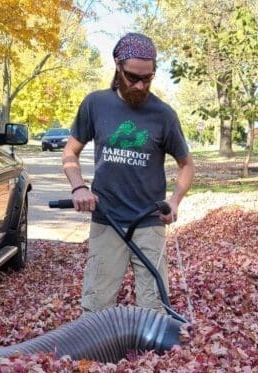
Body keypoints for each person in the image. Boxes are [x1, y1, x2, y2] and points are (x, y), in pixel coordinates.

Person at [62, 32, 195, 314]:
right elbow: (70, 153)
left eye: (147, 78)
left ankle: (149, 357)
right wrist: (79, 187)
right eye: (133, 76)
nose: (139, 84)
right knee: (97, 305)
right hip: (107, 219)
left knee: (153, 308)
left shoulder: (164, 115)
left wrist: (174, 202)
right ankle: (96, 356)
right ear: (117, 66)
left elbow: (187, 165)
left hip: (148, 223)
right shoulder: (95, 104)